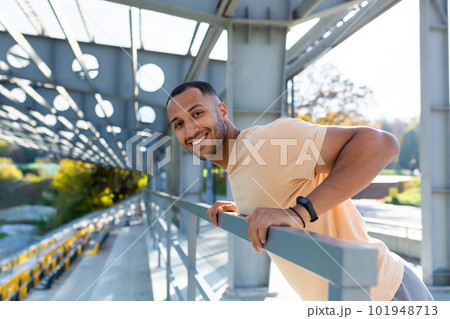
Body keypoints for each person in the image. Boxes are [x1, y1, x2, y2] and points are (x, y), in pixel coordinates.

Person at [165, 80, 433, 301]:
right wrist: (241, 211)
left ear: (222, 111)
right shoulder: (239, 165)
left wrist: (299, 212)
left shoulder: (269, 141)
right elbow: (280, 187)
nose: (190, 129)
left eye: (197, 113)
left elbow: (381, 144)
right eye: (178, 124)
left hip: (385, 294)